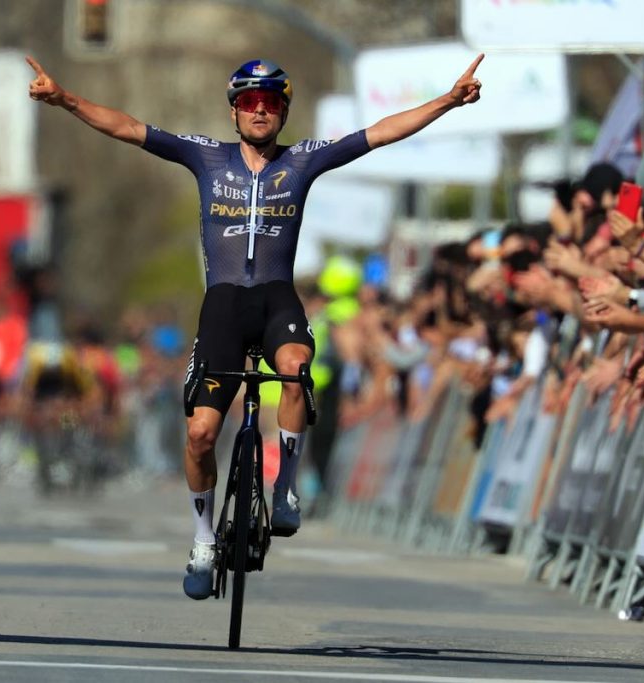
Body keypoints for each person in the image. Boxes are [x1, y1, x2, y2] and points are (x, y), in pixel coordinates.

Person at [27, 53, 483, 599]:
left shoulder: (303, 161)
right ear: (234, 111)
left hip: (276, 299)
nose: (259, 110)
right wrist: (65, 99)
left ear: (283, 111)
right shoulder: (206, 156)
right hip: (222, 305)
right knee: (200, 434)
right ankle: (202, 539)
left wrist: (448, 101)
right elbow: (127, 127)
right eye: (249, 102)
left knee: (295, 368)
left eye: (269, 102)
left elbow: (382, 132)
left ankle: (285, 485)